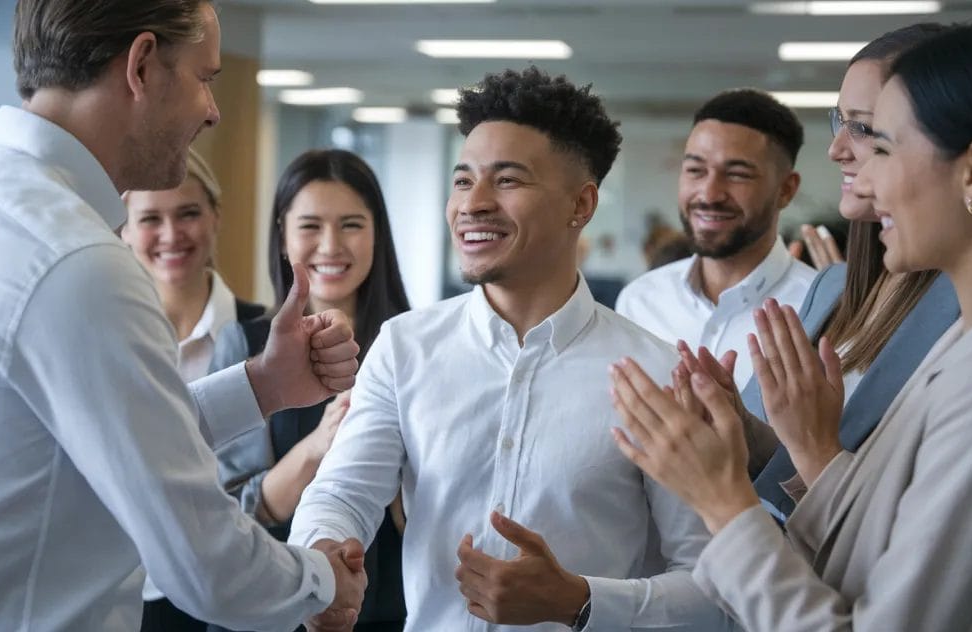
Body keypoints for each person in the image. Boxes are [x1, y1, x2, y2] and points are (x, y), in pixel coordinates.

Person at [289, 66, 734, 631]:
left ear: (582, 204)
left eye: (507, 180)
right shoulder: (405, 348)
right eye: (462, 179)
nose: (472, 204)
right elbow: (342, 492)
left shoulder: (655, 373)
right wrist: (324, 555)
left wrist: (579, 600)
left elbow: (711, 590)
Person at [611, 16, 972, 629]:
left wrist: (725, 503)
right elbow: (875, 544)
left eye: (881, 143)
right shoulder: (968, 345)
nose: (861, 172)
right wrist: (762, 442)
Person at [0, 1, 367, 630]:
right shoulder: (80, 262)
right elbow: (204, 566)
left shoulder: (13, 207)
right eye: (205, 77)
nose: (214, 111)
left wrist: (263, 386)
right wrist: (322, 580)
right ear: (141, 65)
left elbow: (101, 435)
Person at [739, 23, 958, 519]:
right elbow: (785, 458)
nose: (837, 149)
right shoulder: (832, 287)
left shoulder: (969, 305)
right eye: (841, 121)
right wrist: (743, 429)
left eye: (866, 129)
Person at [208, 149, 409, 632]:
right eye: (310, 226)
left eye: (352, 225)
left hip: (390, 610)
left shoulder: (413, 349)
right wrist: (315, 451)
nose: (331, 245)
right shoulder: (246, 346)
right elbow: (222, 515)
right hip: (269, 608)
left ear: (378, 233)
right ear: (282, 235)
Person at [123, 148, 266, 630]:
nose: (171, 234)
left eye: (188, 213)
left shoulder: (265, 339)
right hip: (127, 589)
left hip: (239, 587)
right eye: (150, 219)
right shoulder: (107, 342)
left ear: (216, 217)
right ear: (123, 231)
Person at [616, 89, 816, 388]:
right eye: (696, 170)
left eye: (737, 174)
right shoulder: (640, 301)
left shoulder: (819, 310)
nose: (709, 194)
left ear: (786, 189)